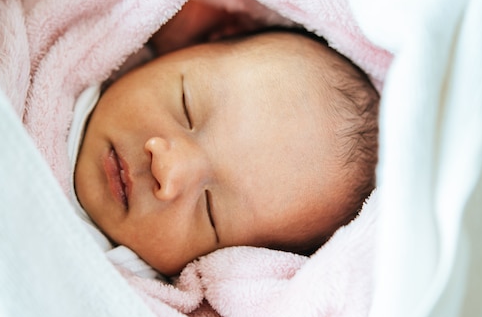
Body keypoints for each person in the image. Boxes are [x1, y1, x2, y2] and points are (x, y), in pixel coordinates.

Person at [73, 23, 379, 277]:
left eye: (209, 212)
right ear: (189, 48)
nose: (168, 169)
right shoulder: (62, 46)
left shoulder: (135, 305)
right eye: (186, 108)